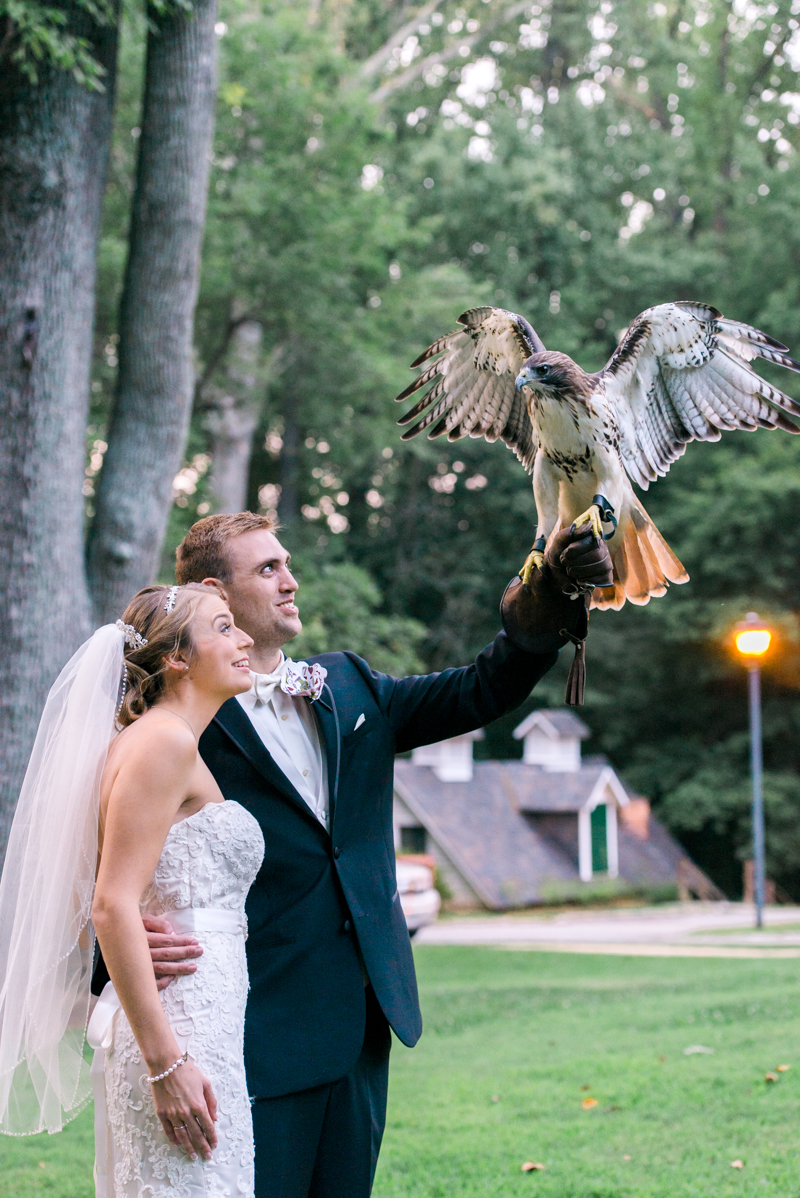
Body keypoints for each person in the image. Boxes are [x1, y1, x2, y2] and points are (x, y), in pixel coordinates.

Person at [129, 510, 613, 1198]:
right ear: (215, 591)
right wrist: (105, 947)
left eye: (287, 563)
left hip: (361, 1023)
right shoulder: (175, 724)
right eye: (267, 569)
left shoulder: (348, 683)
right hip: (245, 1031)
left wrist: (543, 605)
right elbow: (96, 866)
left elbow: (481, 689)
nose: (291, 581)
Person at [0, 581, 264, 1198]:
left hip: (204, 1021)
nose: (245, 637)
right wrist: (165, 1063)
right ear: (176, 657)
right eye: (224, 627)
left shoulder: (163, 742)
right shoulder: (163, 743)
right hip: (177, 1031)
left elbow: (97, 889)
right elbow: (110, 900)